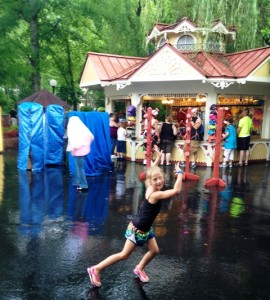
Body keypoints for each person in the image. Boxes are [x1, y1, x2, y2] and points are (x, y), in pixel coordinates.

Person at [87, 161, 183, 287]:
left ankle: (140, 268)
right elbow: (176, 191)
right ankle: (96, 269)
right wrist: (180, 173)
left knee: (154, 250)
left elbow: (151, 169)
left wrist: (158, 159)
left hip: (146, 228)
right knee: (124, 255)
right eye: (155, 179)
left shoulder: (150, 187)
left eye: (160, 178)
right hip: (137, 230)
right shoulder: (155, 194)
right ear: (149, 181)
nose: (159, 181)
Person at [66, 116, 94, 191]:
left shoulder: (75, 131)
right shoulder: (83, 129)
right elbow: (91, 137)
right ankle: (78, 182)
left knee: (80, 168)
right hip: (84, 151)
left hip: (79, 152)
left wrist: (74, 147)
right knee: (78, 167)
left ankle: (84, 185)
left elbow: (75, 144)